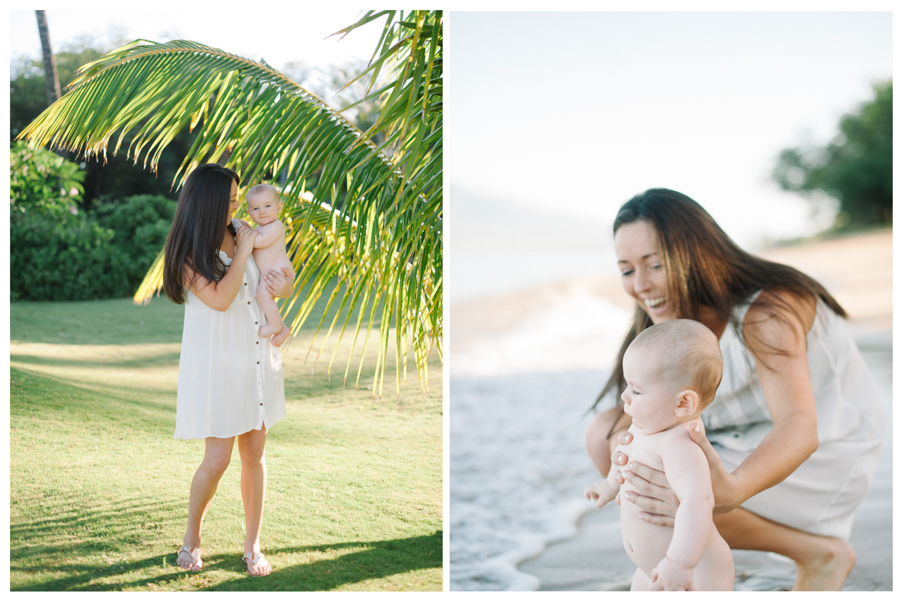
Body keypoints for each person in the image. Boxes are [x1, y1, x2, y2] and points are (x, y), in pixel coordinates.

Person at [585, 188, 884, 591]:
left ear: (695, 253)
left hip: (826, 446)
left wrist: (731, 488)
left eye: (654, 264)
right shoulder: (669, 318)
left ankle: (817, 553)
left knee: (681, 476)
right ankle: (691, 556)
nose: (640, 284)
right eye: (626, 270)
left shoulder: (768, 309)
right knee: (606, 437)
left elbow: (799, 424)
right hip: (746, 432)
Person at [162, 164, 295, 577]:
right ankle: (191, 538)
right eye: (233, 201)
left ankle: (252, 544)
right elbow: (220, 299)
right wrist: (241, 249)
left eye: (240, 201)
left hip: (256, 354)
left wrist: (281, 281)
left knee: (254, 455)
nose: (239, 208)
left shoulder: (242, 229)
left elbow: (276, 280)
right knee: (217, 459)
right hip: (217, 361)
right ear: (209, 201)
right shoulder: (188, 248)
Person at [584, 319, 733, 591]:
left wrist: (679, 564)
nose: (624, 396)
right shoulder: (645, 426)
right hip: (650, 570)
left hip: (694, 573)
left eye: (636, 390)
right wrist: (608, 485)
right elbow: (624, 458)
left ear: (683, 403)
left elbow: (698, 501)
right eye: (628, 385)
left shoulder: (679, 444)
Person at [241, 183, 295, 347]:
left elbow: (262, 242)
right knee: (265, 298)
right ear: (249, 213)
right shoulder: (258, 228)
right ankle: (283, 329)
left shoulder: (276, 226)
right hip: (270, 270)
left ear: (279, 207)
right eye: (256, 209)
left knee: (263, 296)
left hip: (277, 269)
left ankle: (274, 325)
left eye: (267, 206)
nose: (262, 211)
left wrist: (242, 237)